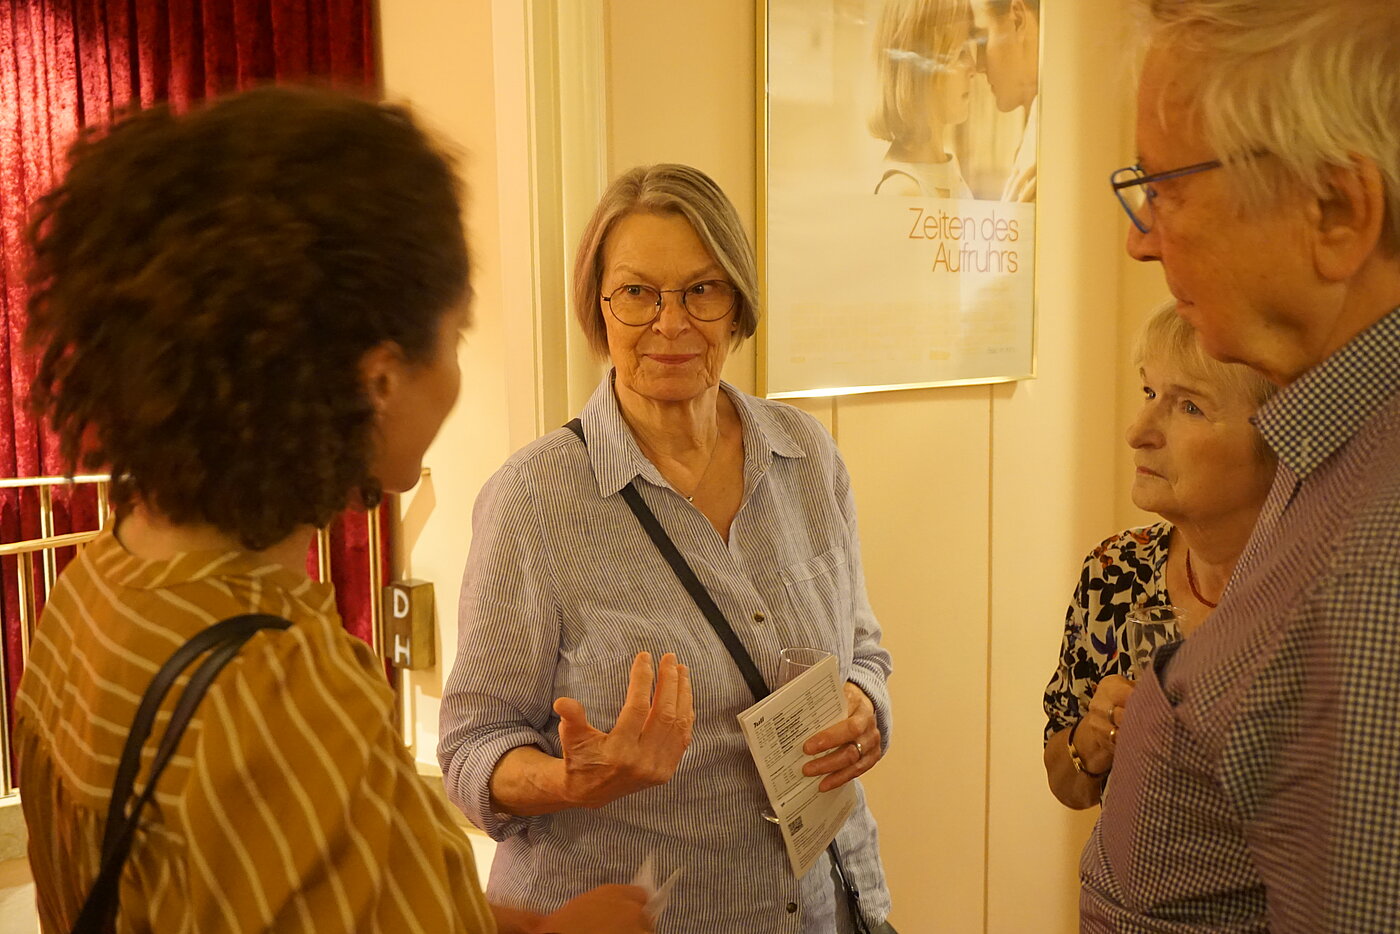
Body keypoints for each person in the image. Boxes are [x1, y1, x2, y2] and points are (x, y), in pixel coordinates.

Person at [15, 87, 649, 934]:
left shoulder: (99, 583)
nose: (455, 374)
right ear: (379, 379)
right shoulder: (278, 698)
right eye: (455, 337)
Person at [438, 163, 895, 933]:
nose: (671, 323)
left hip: (824, 906)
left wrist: (864, 707)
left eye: (701, 290)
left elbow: (864, 650)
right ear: (599, 308)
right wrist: (568, 782)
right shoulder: (535, 499)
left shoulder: (806, 457)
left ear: (738, 303)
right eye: (637, 292)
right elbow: (470, 749)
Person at [1083, 1, 1400, 930]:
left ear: (1336, 211)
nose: (1140, 236)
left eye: (1167, 189)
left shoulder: (1366, 568)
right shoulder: (1327, 440)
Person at [1042, 303, 1276, 809]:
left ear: (1277, 441)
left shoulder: (1316, 592)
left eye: (1190, 406)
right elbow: (1066, 784)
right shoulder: (1116, 568)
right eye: (1149, 392)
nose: (1137, 431)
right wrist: (1095, 736)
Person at [869, 0, 977, 198]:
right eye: (960, 52)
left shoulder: (947, 167)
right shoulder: (902, 190)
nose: (973, 67)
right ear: (920, 70)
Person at [969, 0, 1039, 201]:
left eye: (982, 41)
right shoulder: (1036, 131)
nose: (978, 66)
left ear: (1017, 20)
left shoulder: (1048, 141)